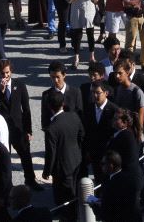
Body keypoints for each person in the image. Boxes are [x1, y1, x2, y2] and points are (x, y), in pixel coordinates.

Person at [0, 60, 41, 191]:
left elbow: (26, 109)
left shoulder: (20, 85)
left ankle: (30, 180)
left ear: (11, 71)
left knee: (25, 155)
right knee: (4, 158)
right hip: (2, 129)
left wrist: (28, 130)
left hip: (18, 127)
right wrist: (0, 91)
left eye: (7, 72)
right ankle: (6, 184)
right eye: (2, 73)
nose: (5, 76)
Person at [42, 91, 84, 222]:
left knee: (64, 196)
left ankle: (69, 217)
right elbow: (82, 135)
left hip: (62, 168)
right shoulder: (74, 116)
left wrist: (46, 172)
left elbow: (51, 153)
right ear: (63, 103)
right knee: (74, 188)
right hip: (76, 160)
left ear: (49, 107)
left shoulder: (51, 129)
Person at [83, 80, 118, 183]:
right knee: (98, 179)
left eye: (98, 93)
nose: (95, 95)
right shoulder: (89, 109)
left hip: (108, 154)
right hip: (94, 154)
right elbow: (87, 131)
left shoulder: (114, 110)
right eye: (93, 92)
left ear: (106, 93)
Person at [93, 151, 142, 222]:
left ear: (111, 165)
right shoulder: (131, 178)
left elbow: (104, 214)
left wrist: (93, 205)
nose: (101, 166)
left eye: (103, 164)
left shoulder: (109, 185)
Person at [67, 0, 99, 68]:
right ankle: (76, 57)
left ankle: (92, 57)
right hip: (77, 12)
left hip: (89, 11)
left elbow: (96, 1)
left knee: (90, 35)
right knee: (77, 36)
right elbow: (69, 0)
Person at [40, 61, 83, 131]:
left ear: (64, 75)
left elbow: (80, 116)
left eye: (58, 77)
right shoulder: (46, 95)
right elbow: (45, 119)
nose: (55, 80)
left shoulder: (75, 93)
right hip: (54, 134)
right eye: (52, 77)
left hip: (72, 133)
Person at [112, 59, 144, 135]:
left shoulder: (137, 92)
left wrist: (139, 134)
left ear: (127, 73)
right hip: (120, 131)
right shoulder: (117, 89)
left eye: (120, 73)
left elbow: (140, 116)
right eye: (115, 73)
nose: (117, 76)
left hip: (133, 132)